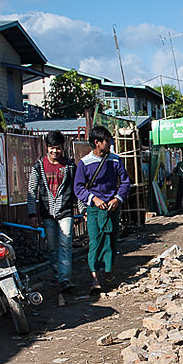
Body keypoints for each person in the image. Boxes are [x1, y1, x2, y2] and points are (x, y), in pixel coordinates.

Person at [74, 126, 131, 294]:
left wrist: (117, 199)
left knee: (111, 240)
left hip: (112, 208)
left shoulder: (115, 160)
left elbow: (125, 182)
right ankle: (95, 278)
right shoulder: (85, 163)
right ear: (97, 142)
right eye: (106, 140)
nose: (110, 143)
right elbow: (78, 188)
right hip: (94, 209)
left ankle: (108, 271)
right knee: (95, 242)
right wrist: (94, 199)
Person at [27, 130, 76, 293]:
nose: (55, 151)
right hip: (47, 214)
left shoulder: (70, 166)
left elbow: (77, 188)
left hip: (66, 211)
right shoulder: (38, 167)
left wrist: (82, 210)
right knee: (52, 247)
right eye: (52, 148)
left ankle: (65, 279)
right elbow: (31, 191)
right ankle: (57, 274)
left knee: (65, 244)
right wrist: (32, 214)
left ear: (63, 148)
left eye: (58, 148)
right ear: (46, 147)